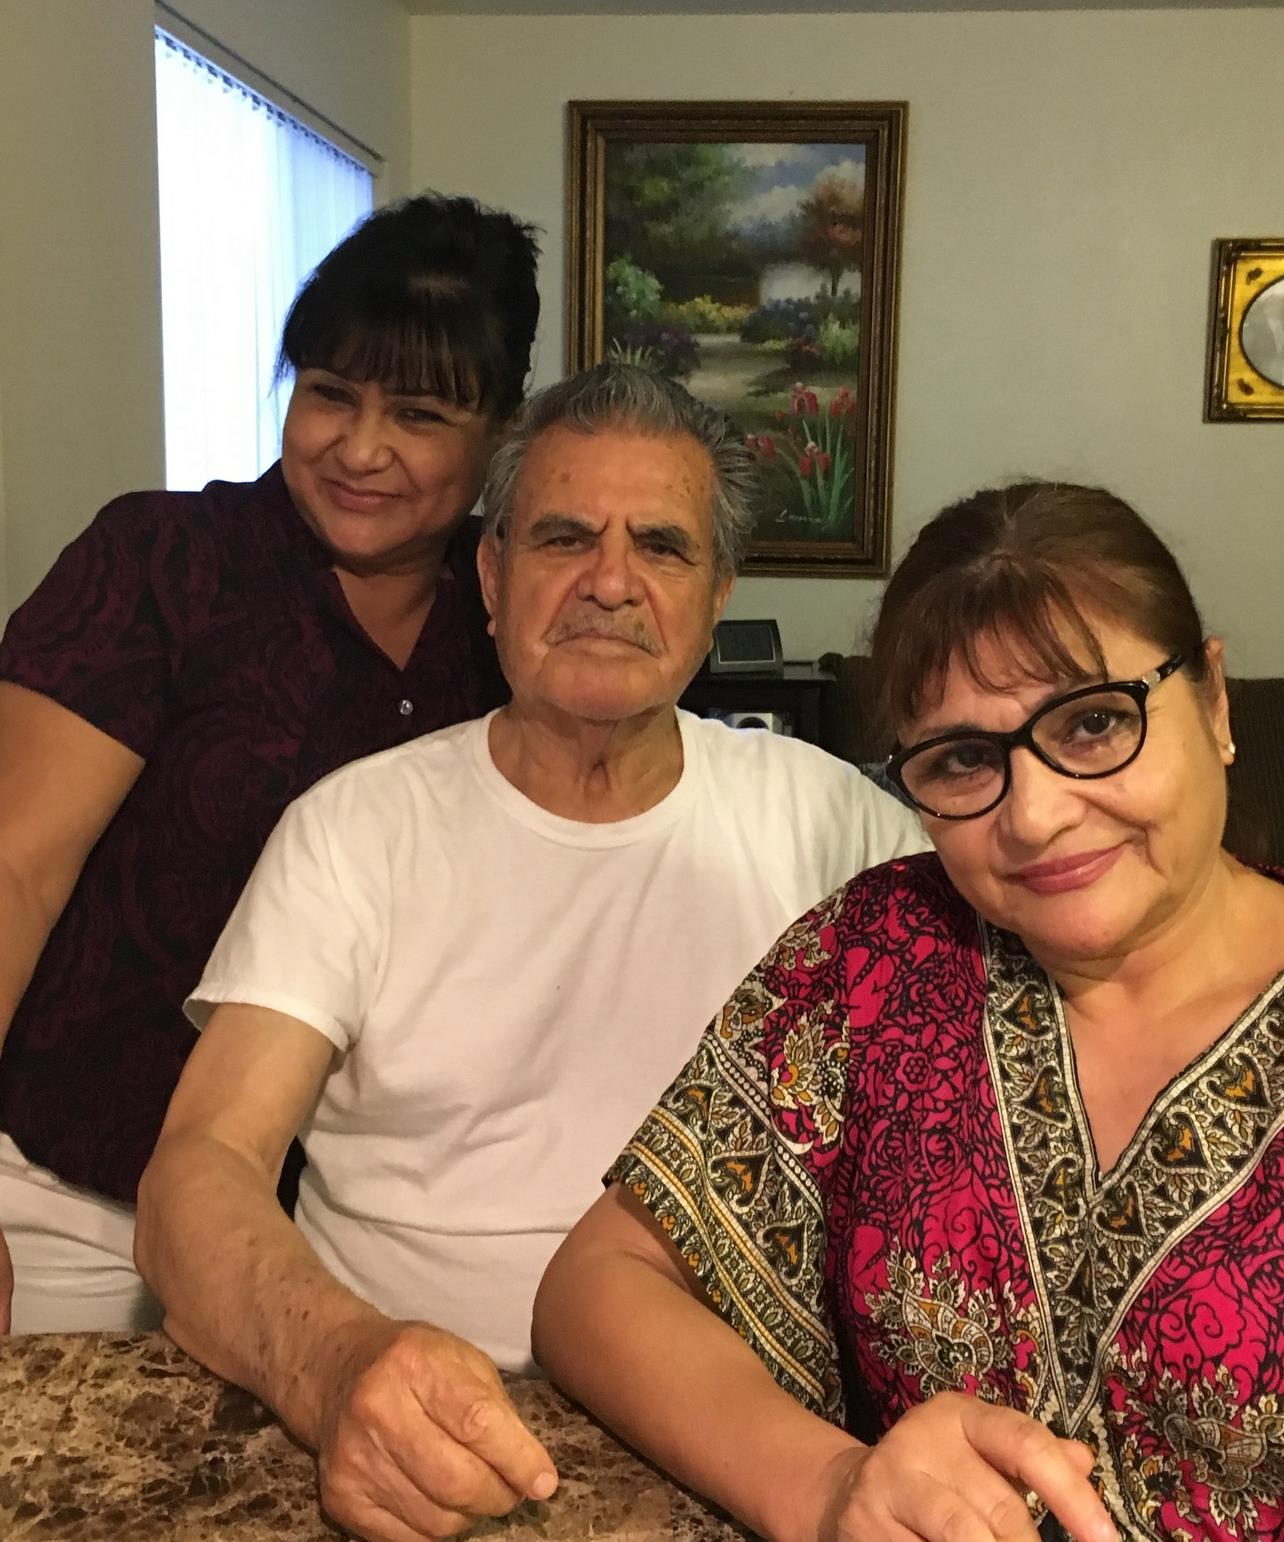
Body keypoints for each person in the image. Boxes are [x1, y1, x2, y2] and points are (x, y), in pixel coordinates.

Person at [133, 363, 928, 1542]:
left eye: (660, 546)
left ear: (719, 595)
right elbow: (196, 1174)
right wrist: (342, 1367)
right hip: (416, 1440)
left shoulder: (844, 828)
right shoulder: (357, 827)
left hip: (754, 1445)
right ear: (493, 578)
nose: (609, 581)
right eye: (563, 537)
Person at [533, 480, 1284, 1542]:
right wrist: (830, 1486)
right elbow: (596, 1287)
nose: (1036, 813)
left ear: (1212, 703)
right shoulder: (878, 957)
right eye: (965, 759)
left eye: (1094, 722)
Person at [0, 193, 541, 1334]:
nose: (360, 448)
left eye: (421, 414)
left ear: (500, 432)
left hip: (365, 1237)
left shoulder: (514, 637)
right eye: (330, 393)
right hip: (83, 1199)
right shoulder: (161, 566)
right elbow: (17, 870)